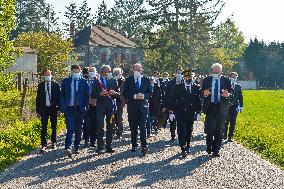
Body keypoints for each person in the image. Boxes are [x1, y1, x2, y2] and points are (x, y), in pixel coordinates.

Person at [170, 69, 202, 157]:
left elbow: (198, 101)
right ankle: (182, 147)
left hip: (191, 113)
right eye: (187, 77)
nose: (188, 78)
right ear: (184, 78)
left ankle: (188, 145)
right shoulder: (178, 87)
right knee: (181, 130)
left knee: (189, 130)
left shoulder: (196, 87)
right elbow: (173, 100)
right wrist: (172, 112)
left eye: (190, 77)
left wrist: (198, 112)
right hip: (180, 112)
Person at [202, 63, 231, 157]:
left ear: (221, 72)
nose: (215, 74)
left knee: (219, 130)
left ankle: (216, 149)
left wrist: (227, 96)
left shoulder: (226, 80)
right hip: (210, 107)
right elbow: (200, 92)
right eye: (214, 72)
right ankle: (209, 146)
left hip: (221, 107)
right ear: (211, 71)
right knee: (210, 129)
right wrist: (204, 94)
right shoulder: (207, 80)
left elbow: (232, 93)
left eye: (217, 72)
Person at [61, 65, 89, 157]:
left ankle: (76, 146)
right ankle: (68, 147)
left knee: (78, 129)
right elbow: (63, 95)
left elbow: (86, 96)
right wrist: (62, 106)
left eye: (78, 71)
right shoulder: (66, 81)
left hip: (79, 109)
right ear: (71, 72)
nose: (76, 73)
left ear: (80, 71)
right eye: (74, 71)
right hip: (69, 109)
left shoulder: (83, 82)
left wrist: (85, 106)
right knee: (70, 129)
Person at [123, 63, 152, 156]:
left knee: (143, 127)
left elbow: (150, 92)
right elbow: (125, 93)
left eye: (139, 70)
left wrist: (143, 96)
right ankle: (134, 144)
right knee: (133, 127)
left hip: (143, 107)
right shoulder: (128, 80)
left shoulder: (146, 80)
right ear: (133, 70)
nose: (137, 72)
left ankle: (144, 146)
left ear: (141, 70)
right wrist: (134, 96)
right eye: (135, 70)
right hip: (132, 107)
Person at [91, 65, 119, 154]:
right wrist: (100, 94)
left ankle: (109, 146)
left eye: (110, 71)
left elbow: (118, 94)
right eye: (108, 71)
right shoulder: (97, 81)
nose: (110, 73)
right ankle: (100, 147)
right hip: (100, 107)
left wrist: (114, 93)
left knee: (110, 126)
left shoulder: (113, 81)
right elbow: (93, 94)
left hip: (110, 107)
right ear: (103, 72)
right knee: (100, 126)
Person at [36, 69, 61, 153]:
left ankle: (53, 142)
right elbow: (38, 98)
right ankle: (44, 144)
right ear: (43, 76)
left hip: (53, 108)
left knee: (54, 126)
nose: (47, 76)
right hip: (44, 109)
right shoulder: (40, 85)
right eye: (46, 75)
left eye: (49, 74)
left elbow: (59, 98)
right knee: (44, 127)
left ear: (51, 75)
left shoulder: (56, 85)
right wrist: (37, 110)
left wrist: (59, 109)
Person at [224, 72, 243, 142]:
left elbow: (241, 97)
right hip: (226, 107)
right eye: (232, 77)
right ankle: (224, 135)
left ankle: (230, 137)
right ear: (230, 77)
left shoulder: (238, 86)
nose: (234, 78)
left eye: (235, 77)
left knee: (233, 122)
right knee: (226, 121)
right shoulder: (226, 85)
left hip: (234, 107)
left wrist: (241, 106)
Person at [83, 67, 98, 147]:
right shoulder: (84, 81)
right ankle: (86, 139)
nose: (91, 73)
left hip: (95, 105)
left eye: (93, 71)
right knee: (86, 123)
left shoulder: (99, 81)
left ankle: (93, 141)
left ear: (96, 72)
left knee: (94, 123)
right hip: (86, 105)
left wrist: (96, 99)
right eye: (90, 71)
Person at [113, 67, 125, 140]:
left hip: (120, 101)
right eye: (115, 73)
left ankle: (119, 132)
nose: (116, 75)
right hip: (112, 100)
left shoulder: (124, 81)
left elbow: (124, 91)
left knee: (119, 117)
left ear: (121, 74)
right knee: (112, 117)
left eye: (118, 73)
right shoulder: (111, 80)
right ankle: (112, 131)